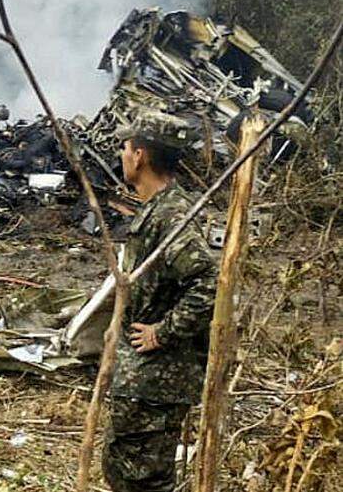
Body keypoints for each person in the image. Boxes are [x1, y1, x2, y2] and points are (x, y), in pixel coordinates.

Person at [103, 112, 216, 492]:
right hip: (143, 381)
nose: (121, 155)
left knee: (144, 481)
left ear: (140, 156)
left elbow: (208, 284)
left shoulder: (171, 215)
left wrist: (162, 333)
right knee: (124, 471)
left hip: (156, 381)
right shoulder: (157, 209)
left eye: (124, 147)